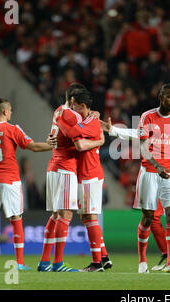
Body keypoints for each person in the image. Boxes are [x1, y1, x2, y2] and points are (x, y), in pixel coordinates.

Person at [101, 98, 170, 271]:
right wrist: (114, 130)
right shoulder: (156, 122)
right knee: (153, 217)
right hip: (157, 175)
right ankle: (167, 254)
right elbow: (137, 134)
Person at [0, 98, 54, 271]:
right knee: (16, 220)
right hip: (10, 181)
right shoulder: (13, 129)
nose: (11, 114)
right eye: (11, 111)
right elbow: (34, 147)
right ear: (6, 112)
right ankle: (20, 262)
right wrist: (52, 146)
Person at [38, 83, 101, 272]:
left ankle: (44, 262)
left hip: (54, 166)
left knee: (56, 215)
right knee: (65, 214)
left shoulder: (58, 111)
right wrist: (97, 134)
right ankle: (57, 263)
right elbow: (77, 138)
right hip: (65, 167)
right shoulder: (71, 115)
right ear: (74, 101)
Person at [135, 83, 170, 273]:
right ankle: (142, 260)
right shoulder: (147, 116)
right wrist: (157, 165)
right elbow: (143, 147)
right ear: (160, 98)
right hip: (150, 171)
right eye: (169, 97)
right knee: (148, 217)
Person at [55, 88, 112, 272]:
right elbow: (100, 134)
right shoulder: (91, 120)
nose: (71, 106)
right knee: (87, 217)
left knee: (90, 217)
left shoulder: (90, 122)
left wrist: (99, 140)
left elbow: (80, 144)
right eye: (69, 103)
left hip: (89, 174)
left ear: (83, 105)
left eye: (74, 104)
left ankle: (97, 263)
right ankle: (103, 257)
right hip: (87, 173)